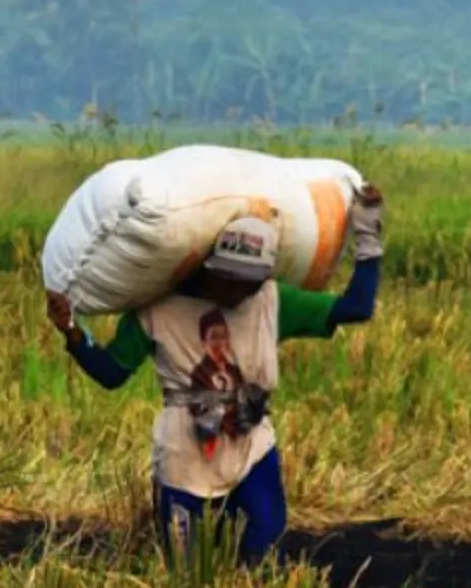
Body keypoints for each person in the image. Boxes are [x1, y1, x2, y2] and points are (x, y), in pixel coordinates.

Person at [47, 185, 387, 568]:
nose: (237, 292)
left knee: (264, 557)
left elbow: (356, 308)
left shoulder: (272, 302)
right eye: (230, 279)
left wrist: (367, 233)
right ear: (211, 267)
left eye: (250, 284)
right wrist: (73, 332)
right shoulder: (159, 311)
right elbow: (111, 373)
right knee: (186, 568)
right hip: (184, 450)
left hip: (250, 445)